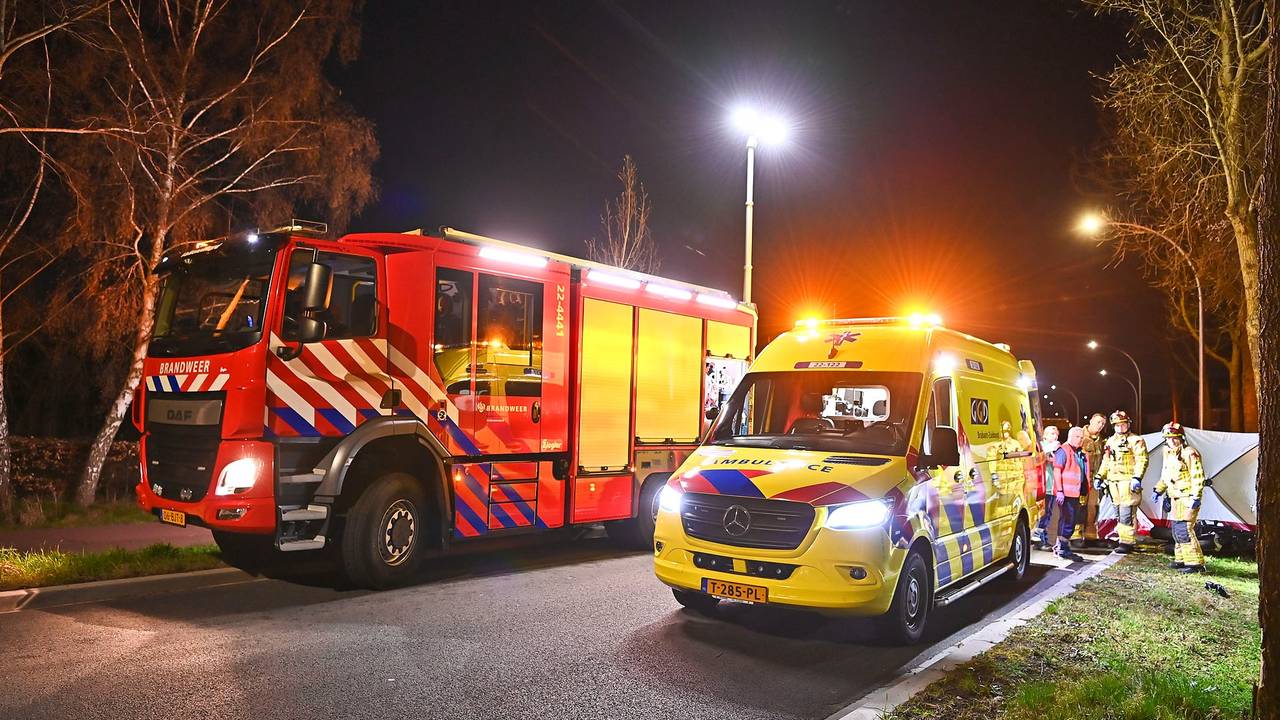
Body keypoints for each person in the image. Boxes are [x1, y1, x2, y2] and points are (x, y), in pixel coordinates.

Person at [1153, 422, 1207, 573]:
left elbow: (1198, 476)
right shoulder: (1168, 453)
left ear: (1181, 438)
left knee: (1185, 529)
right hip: (1174, 497)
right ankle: (1181, 559)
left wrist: (1196, 497)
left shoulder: (1189, 453)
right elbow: (1166, 476)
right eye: (1169, 438)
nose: (1172, 441)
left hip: (1187, 497)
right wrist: (1158, 490)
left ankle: (1195, 563)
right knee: (1177, 530)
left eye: (1175, 438)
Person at [1094, 410, 1147, 553]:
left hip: (1128, 482)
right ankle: (1124, 540)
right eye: (1117, 425)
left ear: (1128, 424)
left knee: (1126, 513)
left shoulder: (1136, 440)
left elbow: (1142, 460)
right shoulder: (1110, 441)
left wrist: (1137, 477)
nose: (1120, 428)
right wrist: (1100, 476)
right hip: (1113, 482)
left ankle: (1127, 543)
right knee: (1118, 512)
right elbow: (1106, 461)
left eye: (1123, 424)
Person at [1050, 426, 1089, 561]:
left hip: (1075, 493)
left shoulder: (1079, 452)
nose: (1080, 440)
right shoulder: (1064, 451)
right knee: (1068, 521)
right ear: (1070, 437)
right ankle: (1062, 548)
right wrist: (1059, 490)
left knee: (1069, 520)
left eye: (1082, 437)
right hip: (1066, 493)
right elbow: (1057, 471)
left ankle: (1061, 547)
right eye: (1077, 437)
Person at [1075, 413, 1107, 547]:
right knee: (1079, 506)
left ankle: (1091, 536)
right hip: (1081, 478)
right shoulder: (1080, 436)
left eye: (1103, 424)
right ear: (1091, 420)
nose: (1100, 426)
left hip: (1095, 479)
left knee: (1093, 506)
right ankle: (1076, 535)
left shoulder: (1101, 440)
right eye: (1098, 422)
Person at [1033, 425, 1061, 550]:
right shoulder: (1041, 447)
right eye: (1051, 433)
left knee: (1048, 512)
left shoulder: (1058, 448)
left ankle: (1042, 538)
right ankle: (1039, 538)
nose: (1054, 436)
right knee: (1042, 512)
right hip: (1041, 484)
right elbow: (1041, 458)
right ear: (1044, 435)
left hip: (1052, 485)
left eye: (1055, 434)